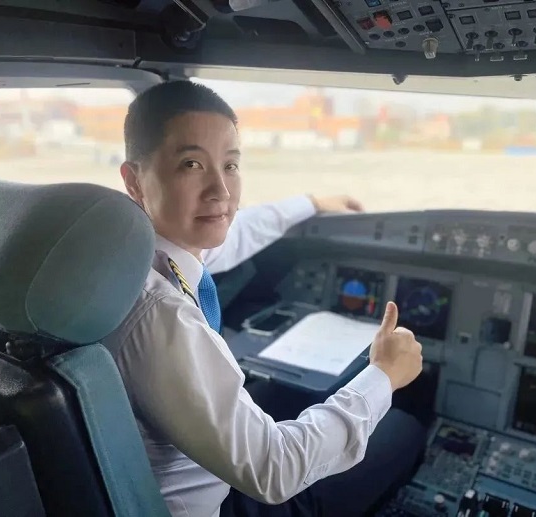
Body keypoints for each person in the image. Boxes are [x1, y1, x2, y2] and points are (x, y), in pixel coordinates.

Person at [103, 80, 426, 517]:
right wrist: (384, 375)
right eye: (191, 164)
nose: (220, 191)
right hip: (211, 503)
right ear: (134, 180)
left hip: (194, 467)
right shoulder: (159, 314)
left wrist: (311, 202)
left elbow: (237, 232)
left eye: (230, 165)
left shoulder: (140, 254)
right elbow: (275, 470)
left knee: (288, 399)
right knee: (403, 428)